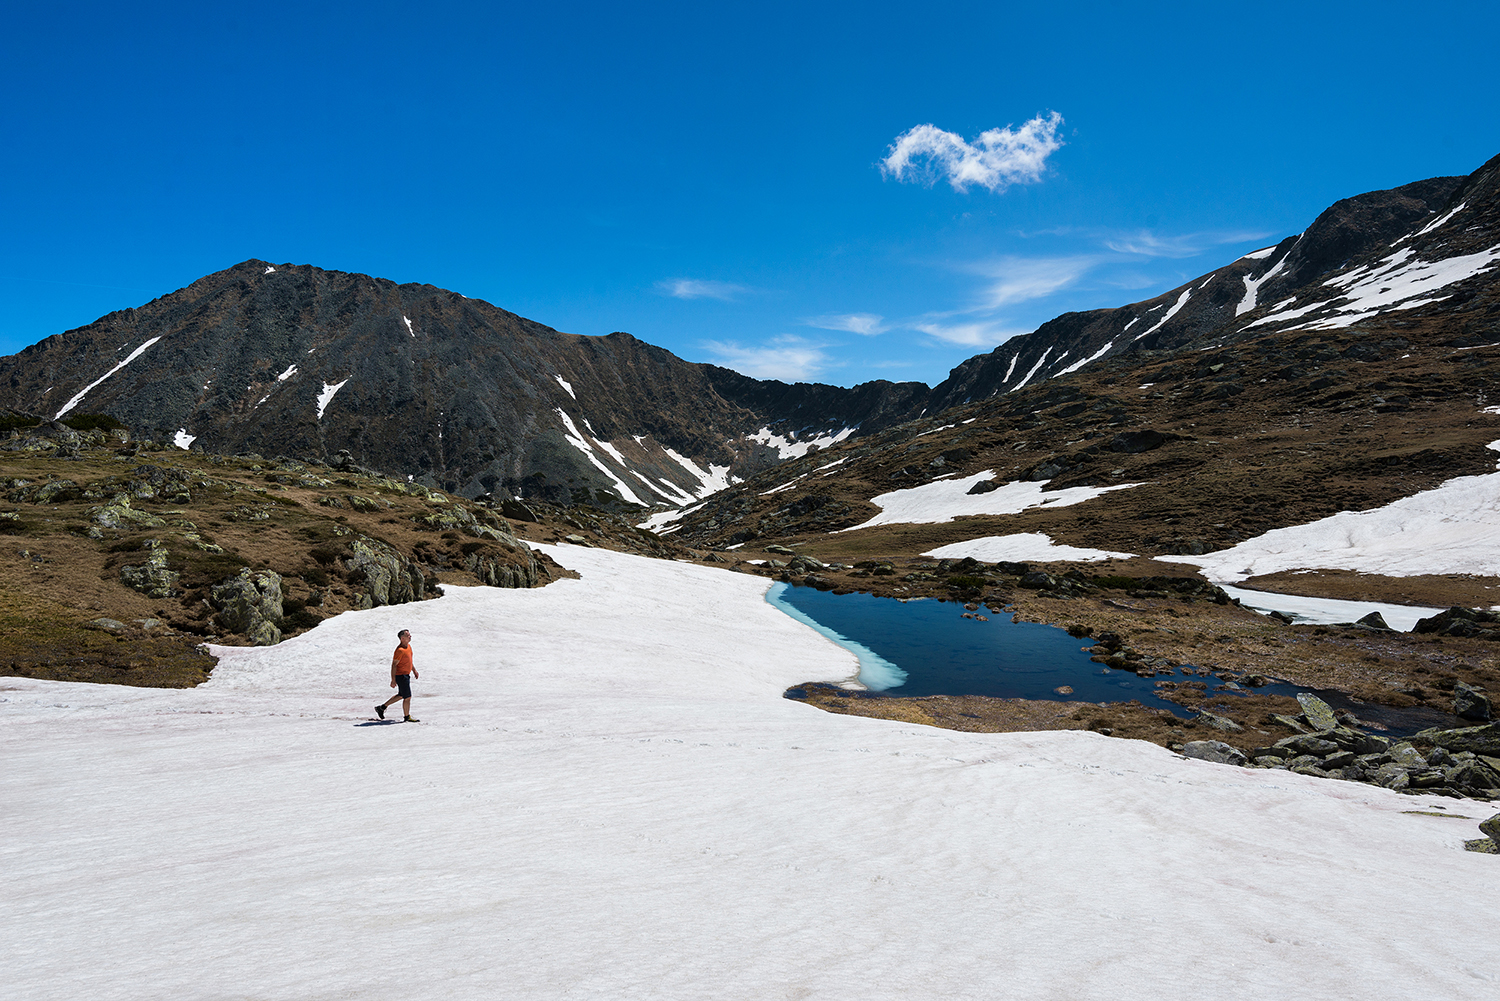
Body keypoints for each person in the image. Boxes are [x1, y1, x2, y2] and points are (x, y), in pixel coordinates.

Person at [375, 629, 419, 721]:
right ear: (402, 638)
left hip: (406, 675)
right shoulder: (399, 650)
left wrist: (414, 670)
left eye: (410, 634)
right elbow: (394, 665)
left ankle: (381, 708)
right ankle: (407, 717)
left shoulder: (408, 647)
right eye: (408, 635)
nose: (410, 636)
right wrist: (393, 680)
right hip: (401, 675)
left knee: (401, 695)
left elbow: (409, 661)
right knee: (407, 697)